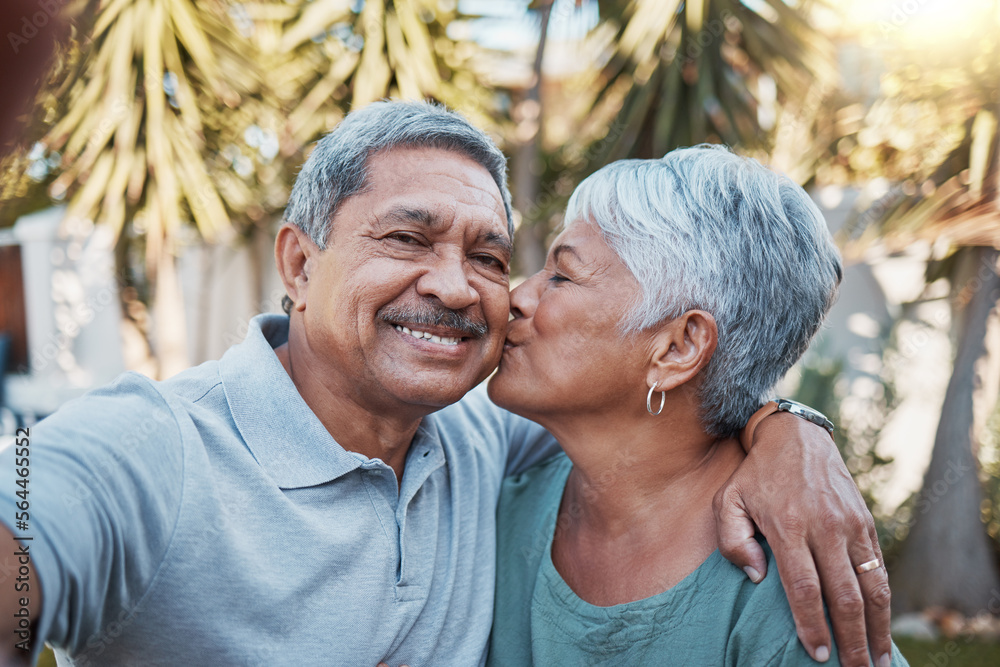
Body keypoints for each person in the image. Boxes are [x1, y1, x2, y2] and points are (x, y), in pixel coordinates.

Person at [0, 102, 889, 666]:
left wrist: (787, 427)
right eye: (407, 238)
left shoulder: (483, 438)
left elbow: (670, 420)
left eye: (493, 256)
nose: (464, 288)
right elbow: (28, 511)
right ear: (299, 263)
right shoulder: (155, 444)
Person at [487, 146, 905, 666]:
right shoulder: (493, 509)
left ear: (678, 348)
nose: (515, 298)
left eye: (562, 276)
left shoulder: (787, 593)